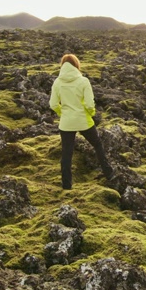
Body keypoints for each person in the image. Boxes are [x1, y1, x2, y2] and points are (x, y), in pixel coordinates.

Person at [49, 54, 113, 189]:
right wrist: (92, 114)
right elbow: (90, 105)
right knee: (98, 145)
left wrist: (63, 113)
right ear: (76, 65)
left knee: (67, 154)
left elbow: (53, 104)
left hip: (66, 123)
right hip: (84, 121)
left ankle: (66, 186)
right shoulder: (83, 81)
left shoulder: (58, 82)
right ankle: (109, 174)